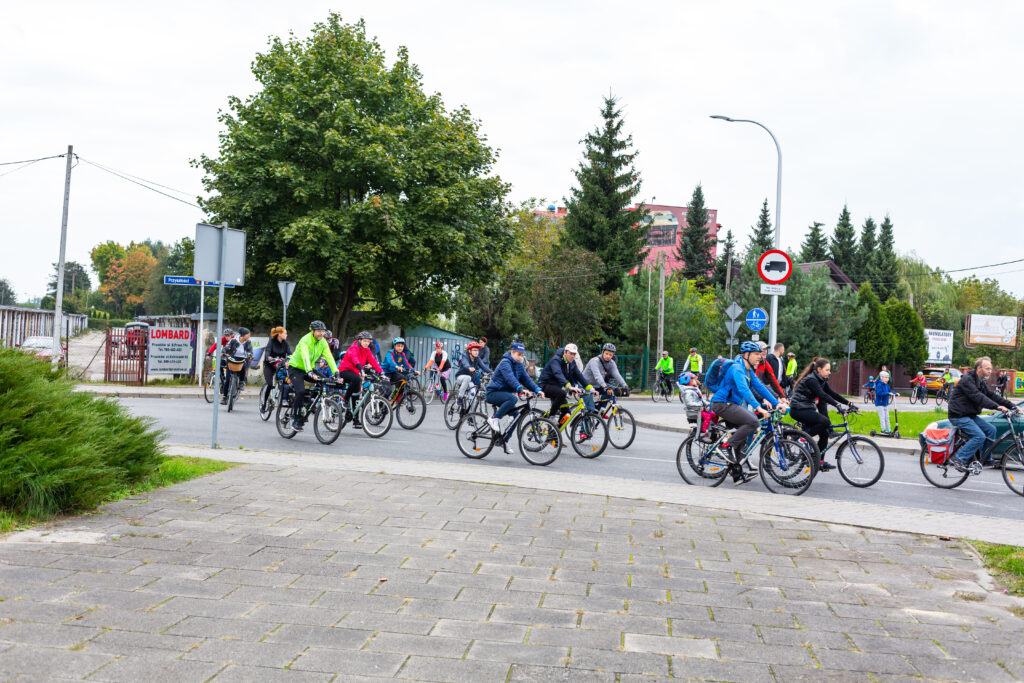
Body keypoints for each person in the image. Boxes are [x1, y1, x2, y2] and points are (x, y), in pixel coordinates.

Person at [709, 341, 784, 484]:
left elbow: (760, 387)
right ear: (747, 354)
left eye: (760, 354)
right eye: (756, 354)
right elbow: (744, 389)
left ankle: (737, 474)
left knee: (742, 437)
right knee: (753, 422)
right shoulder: (737, 368)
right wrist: (758, 408)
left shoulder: (748, 370)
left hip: (732, 404)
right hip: (722, 403)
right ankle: (725, 446)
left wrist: (777, 403)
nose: (760, 357)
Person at [947, 357, 1017, 471]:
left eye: (990, 369)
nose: (990, 371)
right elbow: (978, 397)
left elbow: (991, 395)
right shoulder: (967, 380)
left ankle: (985, 459)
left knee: (991, 430)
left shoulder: (980, 381)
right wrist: (997, 407)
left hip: (969, 415)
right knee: (979, 436)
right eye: (987, 368)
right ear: (979, 368)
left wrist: (1012, 405)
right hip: (958, 416)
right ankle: (959, 458)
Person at [789, 358, 852, 471]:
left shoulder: (821, 380)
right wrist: (837, 405)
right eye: (827, 370)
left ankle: (818, 462)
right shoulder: (811, 380)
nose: (829, 372)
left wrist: (849, 403)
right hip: (798, 409)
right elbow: (822, 395)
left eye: (829, 370)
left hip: (807, 408)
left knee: (824, 434)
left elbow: (832, 393)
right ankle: (802, 439)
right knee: (825, 421)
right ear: (819, 369)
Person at [485, 342, 543, 454]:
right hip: (493, 393)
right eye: (518, 354)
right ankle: (494, 418)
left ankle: (505, 440)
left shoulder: (519, 365)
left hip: (504, 395)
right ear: (512, 352)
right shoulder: (505, 362)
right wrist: (520, 389)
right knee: (513, 399)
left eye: (522, 355)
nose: (520, 357)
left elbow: (526, 379)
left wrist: (537, 389)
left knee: (516, 416)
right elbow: (509, 378)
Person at [285, 321, 339, 429]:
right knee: (300, 391)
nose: (321, 333)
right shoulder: (305, 340)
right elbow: (305, 356)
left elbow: (329, 357)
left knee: (324, 380)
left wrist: (336, 372)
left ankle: (308, 401)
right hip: (296, 368)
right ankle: (296, 420)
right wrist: (309, 371)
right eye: (319, 331)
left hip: (309, 368)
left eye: (322, 331)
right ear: (312, 331)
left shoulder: (323, 342)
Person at [337, 330, 385, 426]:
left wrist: (381, 373)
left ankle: (355, 420)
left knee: (356, 396)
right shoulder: (354, 348)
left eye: (368, 341)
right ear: (360, 340)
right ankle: (345, 400)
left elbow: (373, 361)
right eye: (365, 341)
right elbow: (355, 360)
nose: (367, 343)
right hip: (344, 371)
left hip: (356, 373)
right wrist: (361, 370)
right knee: (357, 379)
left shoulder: (367, 350)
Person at [538, 343, 593, 420]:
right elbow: (558, 373)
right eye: (571, 353)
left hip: (557, 388)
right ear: (565, 352)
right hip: (545, 385)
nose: (573, 356)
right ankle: (551, 417)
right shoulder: (556, 360)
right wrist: (569, 386)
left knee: (567, 414)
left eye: (574, 354)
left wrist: (591, 389)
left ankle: (556, 428)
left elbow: (579, 376)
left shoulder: (572, 363)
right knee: (562, 393)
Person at [583, 343, 627, 407]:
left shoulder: (611, 363)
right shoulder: (594, 361)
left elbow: (617, 375)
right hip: (586, 385)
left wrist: (625, 385)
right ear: (602, 352)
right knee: (590, 408)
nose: (608, 356)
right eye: (606, 354)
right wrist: (605, 386)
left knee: (614, 391)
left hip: (598, 385)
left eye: (610, 355)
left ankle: (600, 409)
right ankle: (591, 411)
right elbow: (597, 376)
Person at [221, 327, 253, 403]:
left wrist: (250, 355)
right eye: (248, 335)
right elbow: (226, 347)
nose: (249, 336)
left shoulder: (248, 342)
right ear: (243, 335)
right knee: (228, 379)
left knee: (244, 366)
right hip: (232, 358)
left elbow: (250, 351)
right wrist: (223, 352)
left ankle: (241, 382)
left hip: (242, 358)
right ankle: (224, 397)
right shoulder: (233, 340)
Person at [262, 327, 291, 410]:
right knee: (269, 384)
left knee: (285, 381)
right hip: (269, 365)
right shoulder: (271, 342)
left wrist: (292, 359)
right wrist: (268, 357)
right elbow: (267, 352)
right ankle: (264, 404)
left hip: (280, 366)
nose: (286, 335)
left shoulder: (285, 343)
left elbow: (290, 354)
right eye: (285, 333)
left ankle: (283, 399)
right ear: (279, 334)